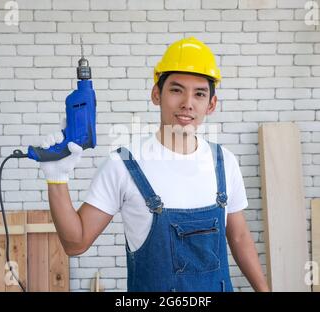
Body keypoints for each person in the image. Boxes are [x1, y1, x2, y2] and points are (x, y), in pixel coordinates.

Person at [40, 37, 269, 292]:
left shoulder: (224, 162)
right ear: (156, 94)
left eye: (200, 94)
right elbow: (76, 244)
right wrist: (57, 179)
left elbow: (238, 236)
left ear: (211, 104)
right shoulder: (124, 164)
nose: (187, 103)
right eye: (176, 89)